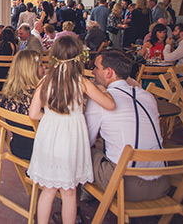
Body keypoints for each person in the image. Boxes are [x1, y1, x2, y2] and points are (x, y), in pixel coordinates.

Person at [28, 36, 115, 224]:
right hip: (71, 139)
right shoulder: (82, 82)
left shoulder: (45, 81)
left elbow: (34, 113)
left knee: (48, 189)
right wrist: (104, 91)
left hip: (49, 137)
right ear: (78, 57)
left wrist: (52, 119)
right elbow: (109, 105)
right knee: (69, 193)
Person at [86, 49, 169, 201]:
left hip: (125, 186)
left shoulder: (100, 100)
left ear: (109, 72)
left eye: (96, 67)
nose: (92, 72)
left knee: (80, 150)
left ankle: (80, 199)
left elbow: (86, 141)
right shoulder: (147, 96)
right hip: (162, 183)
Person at [0, 50, 44, 160]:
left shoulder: (8, 96)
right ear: (31, 70)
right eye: (41, 65)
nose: (44, 68)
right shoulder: (39, 97)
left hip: (17, 148)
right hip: (39, 151)